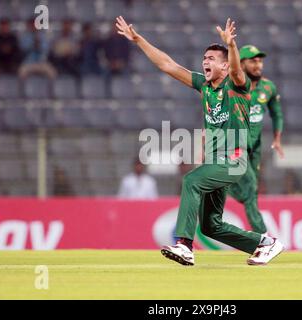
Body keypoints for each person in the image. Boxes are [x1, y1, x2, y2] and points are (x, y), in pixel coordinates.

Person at [116, 16, 284, 266]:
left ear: (225, 67)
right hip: (217, 162)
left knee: (192, 180)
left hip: (234, 159)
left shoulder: (237, 85)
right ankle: (264, 243)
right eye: (204, 58)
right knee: (210, 226)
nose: (205, 61)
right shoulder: (204, 86)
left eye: (212, 59)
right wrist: (139, 39)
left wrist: (232, 46)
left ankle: (184, 244)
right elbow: (168, 65)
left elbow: (238, 70)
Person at [227, 45, 284, 233]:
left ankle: (226, 189)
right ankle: (263, 237)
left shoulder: (268, 87)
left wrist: (277, 138)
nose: (258, 65)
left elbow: (277, 114)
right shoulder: (229, 86)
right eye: (253, 61)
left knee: (251, 191)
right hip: (234, 144)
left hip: (255, 147)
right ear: (241, 64)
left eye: (260, 61)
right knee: (251, 189)